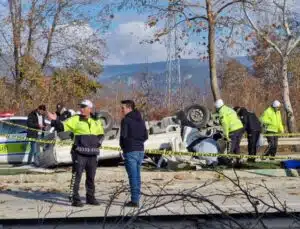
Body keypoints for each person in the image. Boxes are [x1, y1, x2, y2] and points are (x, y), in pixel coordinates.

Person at [48, 99, 104, 207]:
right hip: (79, 154)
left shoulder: (96, 121)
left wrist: (97, 144)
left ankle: (90, 197)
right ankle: (75, 199)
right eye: (81, 107)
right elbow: (62, 127)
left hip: (92, 154)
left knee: (91, 177)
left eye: (84, 107)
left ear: (89, 109)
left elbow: (101, 134)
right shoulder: (75, 119)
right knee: (76, 176)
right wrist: (54, 121)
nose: (81, 109)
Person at [120, 100, 148, 207]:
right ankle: (136, 198)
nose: (121, 110)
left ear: (129, 108)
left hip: (130, 151)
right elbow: (146, 136)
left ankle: (134, 201)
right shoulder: (141, 120)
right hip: (140, 150)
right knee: (137, 176)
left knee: (133, 177)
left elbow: (123, 136)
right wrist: (138, 142)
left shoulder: (126, 120)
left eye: (123, 108)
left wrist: (124, 147)